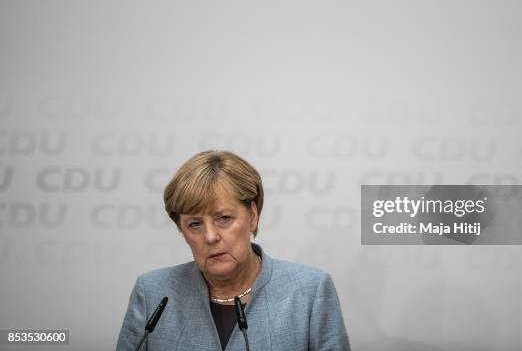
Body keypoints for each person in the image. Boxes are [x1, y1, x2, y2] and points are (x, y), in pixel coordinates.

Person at [116, 150, 351, 350]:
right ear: (181, 230)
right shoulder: (153, 292)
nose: (210, 236)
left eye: (224, 218)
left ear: (253, 215)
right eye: (194, 224)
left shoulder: (309, 292)